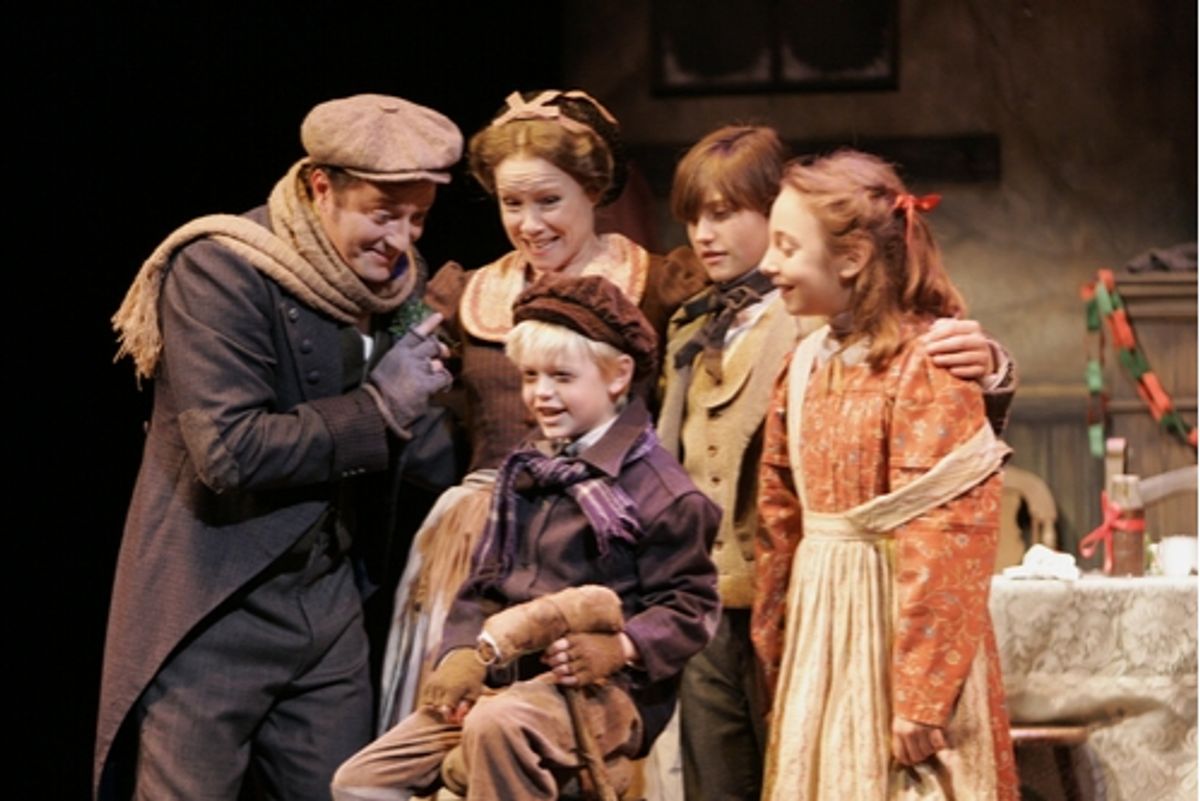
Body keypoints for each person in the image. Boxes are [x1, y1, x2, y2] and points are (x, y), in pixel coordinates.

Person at [97, 94, 462, 800]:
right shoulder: (223, 266)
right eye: (384, 214)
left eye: (418, 217)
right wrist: (380, 406)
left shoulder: (395, 288)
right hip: (214, 601)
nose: (402, 239)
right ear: (321, 186)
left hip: (327, 606)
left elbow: (416, 457)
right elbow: (228, 450)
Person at [658, 126, 1017, 801]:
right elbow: (778, 517)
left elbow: (948, 538)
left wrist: (921, 692)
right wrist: (777, 641)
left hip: (889, 627)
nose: (770, 264)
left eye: (787, 247)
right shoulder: (804, 363)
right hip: (818, 630)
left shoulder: (924, 365)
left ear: (851, 256)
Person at [377, 89, 707, 731]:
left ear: (594, 190)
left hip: (609, 537)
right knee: (462, 734)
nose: (530, 224)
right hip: (481, 541)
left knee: (585, 736)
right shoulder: (465, 294)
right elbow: (388, 370)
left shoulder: (659, 285)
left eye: (549, 201)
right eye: (512, 203)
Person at [332, 275, 721, 801]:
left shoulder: (659, 491)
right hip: (508, 679)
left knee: (499, 729)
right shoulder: (527, 471)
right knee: (362, 780)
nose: (541, 394)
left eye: (561, 376)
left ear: (617, 376)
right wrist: (461, 652)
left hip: (601, 691)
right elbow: (484, 581)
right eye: (530, 376)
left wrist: (620, 646)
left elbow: (690, 606)